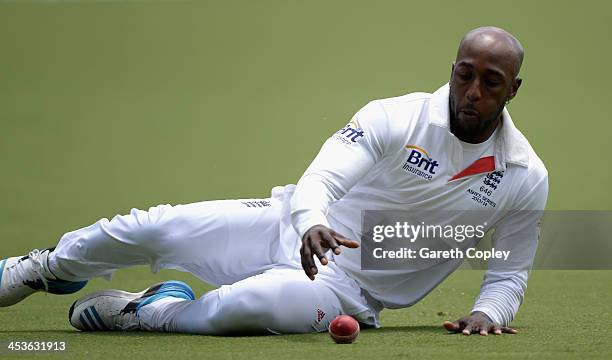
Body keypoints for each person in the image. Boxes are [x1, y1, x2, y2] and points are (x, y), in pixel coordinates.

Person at [0, 26, 547, 337]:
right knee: (154, 227)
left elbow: (510, 270)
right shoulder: (395, 116)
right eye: (464, 74)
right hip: (282, 226)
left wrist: (489, 313)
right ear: (452, 68)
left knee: (245, 307)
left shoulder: (523, 175)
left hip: (345, 291)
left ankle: (149, 311)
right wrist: (311, 222)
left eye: (490, 82)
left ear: (513, 90)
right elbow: (321, 179)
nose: (472, 91)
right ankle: (42, 269)